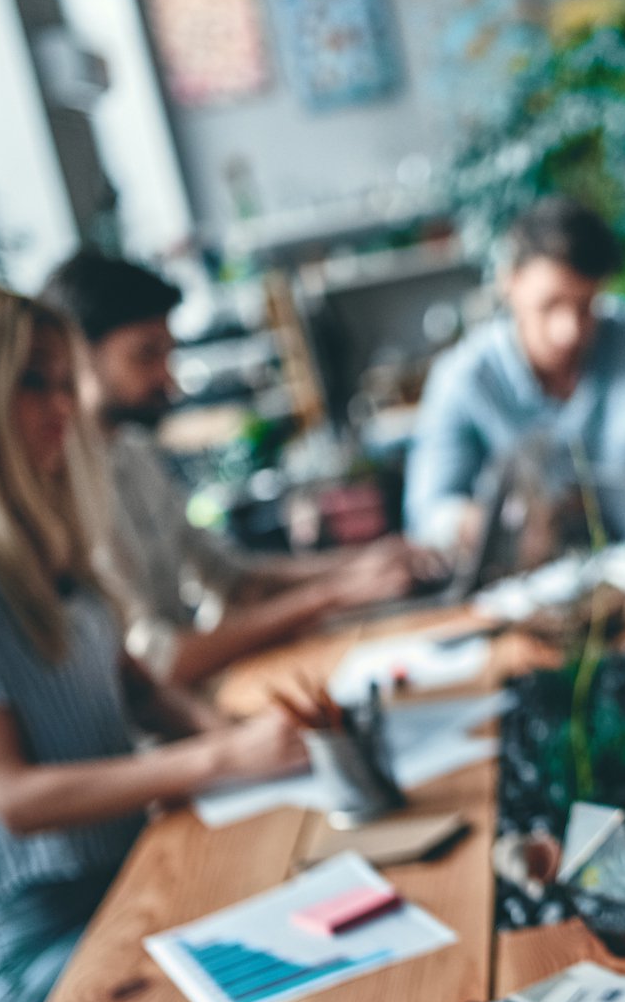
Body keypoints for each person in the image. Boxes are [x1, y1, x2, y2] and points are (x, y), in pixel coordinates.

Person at [0, 284, 307, 1002]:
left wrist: (235, 736)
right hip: (27, 940)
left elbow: (134, 687)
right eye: (33, 381)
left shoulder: (55, 523)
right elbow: (14, 797)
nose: (63, 407)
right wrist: (221, 755)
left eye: (64, 382)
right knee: (261, 1001)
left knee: (297, 926)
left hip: (120, 880)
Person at [39, 252, 430, 688]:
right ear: (75, 356)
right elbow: (160, 660)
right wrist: (330, 594)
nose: (169, 380)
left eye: (168, 354)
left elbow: (230, 577)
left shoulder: (133, 450)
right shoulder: (63, 488)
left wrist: (363, 565)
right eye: (145, 355)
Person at [402, 196, 625, 555]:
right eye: (550, 305)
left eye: (585, 306)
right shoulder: (462, 379)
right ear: (508, 283)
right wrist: (472, 524)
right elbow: (428, 512)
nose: (569, 331)